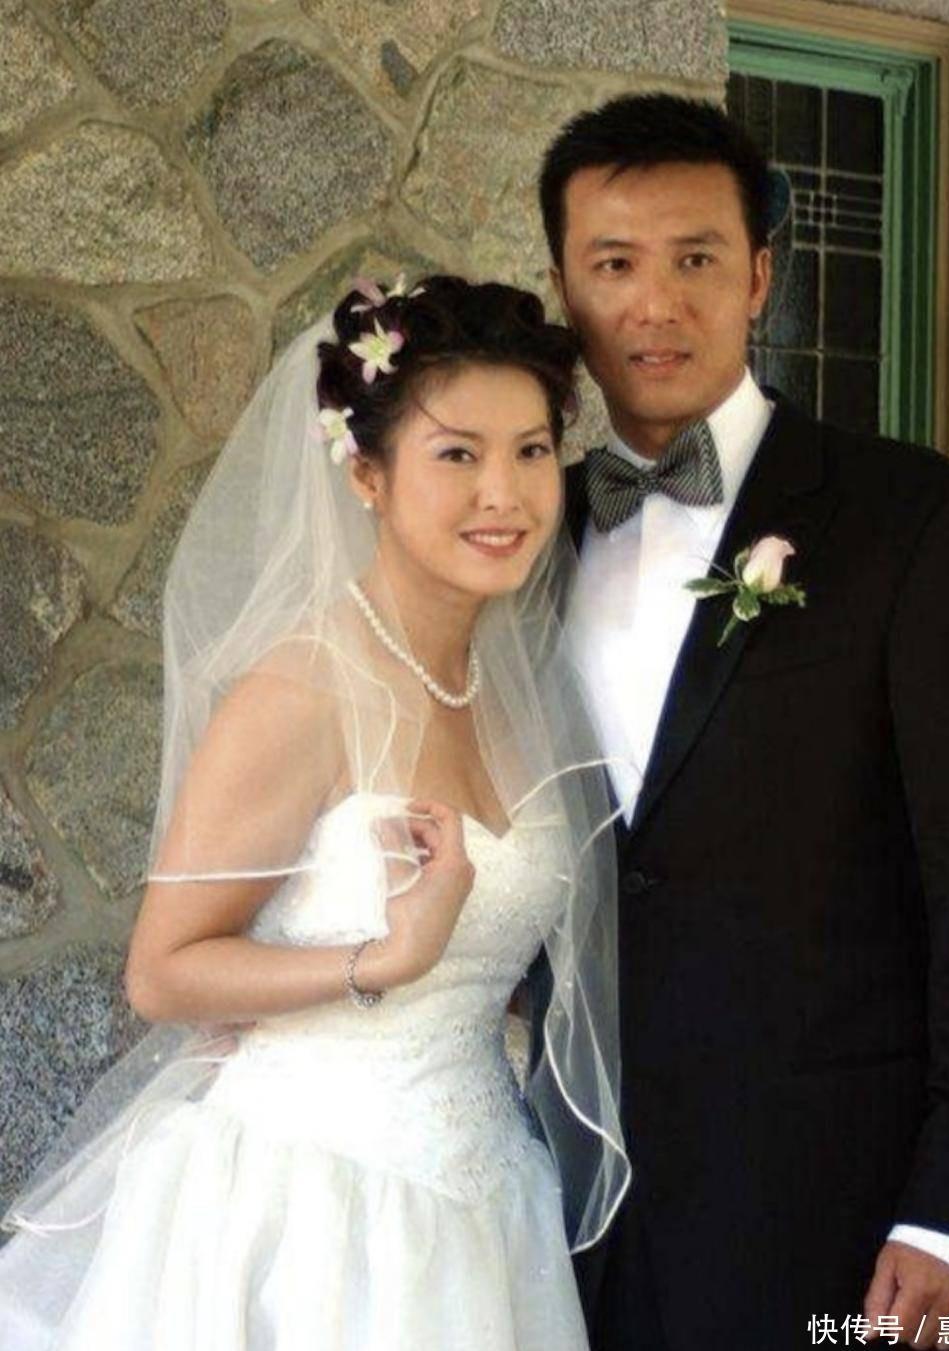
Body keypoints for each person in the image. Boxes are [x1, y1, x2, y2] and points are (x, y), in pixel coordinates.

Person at [0, 275, 630, 1349]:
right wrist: (382, 959)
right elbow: (162, 971)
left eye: (531, 450)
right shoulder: (300, 690)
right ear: (366, 473)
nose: (505, 492)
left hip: (487, 1208)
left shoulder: (516, 693)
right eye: (457, 454)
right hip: (313, 1213)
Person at [539, 93, 949, 1350]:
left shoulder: (917, 522)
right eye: (613, 265)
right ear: (562, 288)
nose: (655, 305)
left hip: (830, 1202)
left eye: (695, 259)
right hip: (561, 1206)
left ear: (760, 275)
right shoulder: (519, 539)